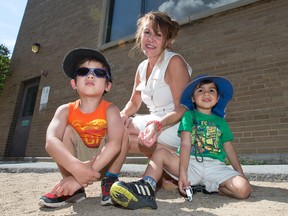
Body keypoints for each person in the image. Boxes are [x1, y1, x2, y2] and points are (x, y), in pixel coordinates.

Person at [110, 75, 252, 210]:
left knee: (243, 190)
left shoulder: (221, 122)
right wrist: (183, 173)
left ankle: (213, 188)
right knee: (160, 153)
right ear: (193, 98)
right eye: (201, 90)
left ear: (218, 98)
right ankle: (146, 186)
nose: (206, 93)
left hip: (215, 166)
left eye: (211, 90)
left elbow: (229, 148)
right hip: (189, 164)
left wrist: (239, 173)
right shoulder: (188, 116)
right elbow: (185, 144)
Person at [38, 48, 129, 208]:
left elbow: (114, 144)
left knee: (122, 131)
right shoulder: (65, 110)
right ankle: (74, 187)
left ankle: (110, 181)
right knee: (65, 131)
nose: (91, 75)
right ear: (74, 83)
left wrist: (83, 174)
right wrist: (75, 169)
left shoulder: (111, 110)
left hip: (106, 162)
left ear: (108, 85)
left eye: (99, 73)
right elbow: (50, 141)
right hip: (76, 164)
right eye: (83, 71)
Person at [120, 11, 192, 189]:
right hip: (153, 121)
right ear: (140, 35)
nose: (151, 39)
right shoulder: (141, 67)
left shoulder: (174, 62)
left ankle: (167, 165)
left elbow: (183, 108)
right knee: (116, 126)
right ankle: (164, 171)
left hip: (176, 124)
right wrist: (121, 115)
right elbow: (134, 103)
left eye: (158, 35)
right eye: (147, 32)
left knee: (119, 135)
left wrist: (157, 125)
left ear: (167, 41)